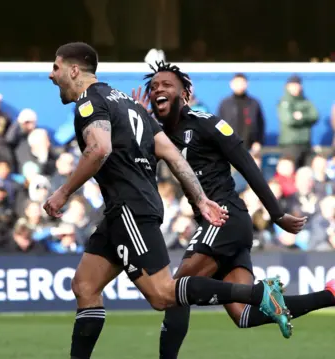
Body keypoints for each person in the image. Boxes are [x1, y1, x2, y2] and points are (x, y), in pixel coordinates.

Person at [43, 42, 290, 359]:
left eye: (56, 67)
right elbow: (172, 153)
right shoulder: (130, 105)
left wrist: (64, 191)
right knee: (85, 285)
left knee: (163, 295)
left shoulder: (91, 103)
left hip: (129, 209)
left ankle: (257, 294)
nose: (51, 75)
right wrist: (199, 200)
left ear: (74, 70)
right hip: (125, 210)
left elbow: (99, 148)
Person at [132, 61, 335, 358]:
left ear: (185, 93)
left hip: (224, 217)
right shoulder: (157, 134)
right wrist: (137, 122)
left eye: (167, 85)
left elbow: (246, 163)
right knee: (244, 316)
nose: (158, 89)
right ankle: (330, 295)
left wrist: (276, 214)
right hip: (223, 224)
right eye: (153, 87)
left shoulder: (206, 122)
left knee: (175, 291)